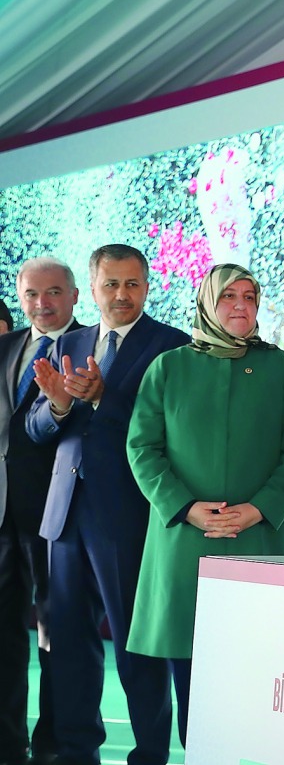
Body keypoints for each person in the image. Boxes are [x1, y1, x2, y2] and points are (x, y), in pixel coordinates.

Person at [126, 263, 284, 747]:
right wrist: (185, 507)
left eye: (250, 297)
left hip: (261, 539)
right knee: (190, 666)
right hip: (184, 542)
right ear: (208, 301)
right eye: (229, 296)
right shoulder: (168, 367)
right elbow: (142, 448)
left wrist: (259, 509)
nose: (241, 306)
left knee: (258, 668)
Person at [28, 244, 189, 765]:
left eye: (133, 284)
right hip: (65, 516)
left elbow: (172, 428)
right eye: (111, 285)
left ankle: (149, 755)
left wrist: (102, 398)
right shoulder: (66, 342)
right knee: (69, 650)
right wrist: (58, 404)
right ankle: (77, 753)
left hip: (131, 517)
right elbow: (35, 428)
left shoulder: (174, 345)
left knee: (136, 647)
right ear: (92, 290)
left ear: (147, 286)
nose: (122, 295)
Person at [0, 257, 81, 765]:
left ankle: (55, 748)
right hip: (2, 517)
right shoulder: (5, 347)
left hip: (61, 519)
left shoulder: (92, 347)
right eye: (32, 294)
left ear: (75, 295)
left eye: (54, 292)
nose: (43, 303)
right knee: (3, 641)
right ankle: (8, 747)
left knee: (59, 642)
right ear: (20, 295)